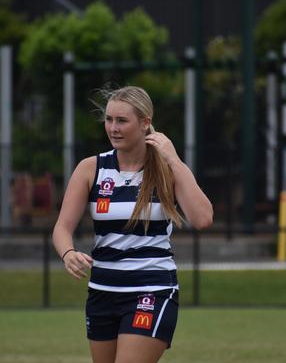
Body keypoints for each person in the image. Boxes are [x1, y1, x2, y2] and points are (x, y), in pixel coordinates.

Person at [52, 86, 213, 363]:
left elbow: (203, 218)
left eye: (122, 121)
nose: (113, 128)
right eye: (109, 119)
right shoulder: (91, 168)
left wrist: (173, 159)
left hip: (151, 289)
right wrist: (68, 253)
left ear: (145, 122)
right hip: (102, 291)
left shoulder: (167, 168)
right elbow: (62, 228)